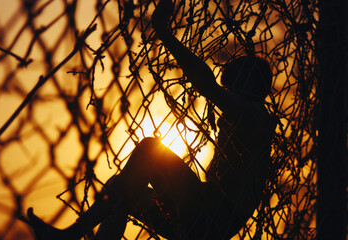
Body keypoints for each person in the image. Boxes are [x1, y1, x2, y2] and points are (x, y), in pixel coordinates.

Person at [26, 0, 277, 239]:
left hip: (214, 214)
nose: (228, 97)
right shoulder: (254, 121)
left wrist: (163, 31)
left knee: (149, 150)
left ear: (247, 86)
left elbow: (207, 85)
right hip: (208, 219)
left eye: (232, 89)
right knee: (123, 190)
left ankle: (70, 235)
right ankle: (71, 236)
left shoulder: (253, 113)